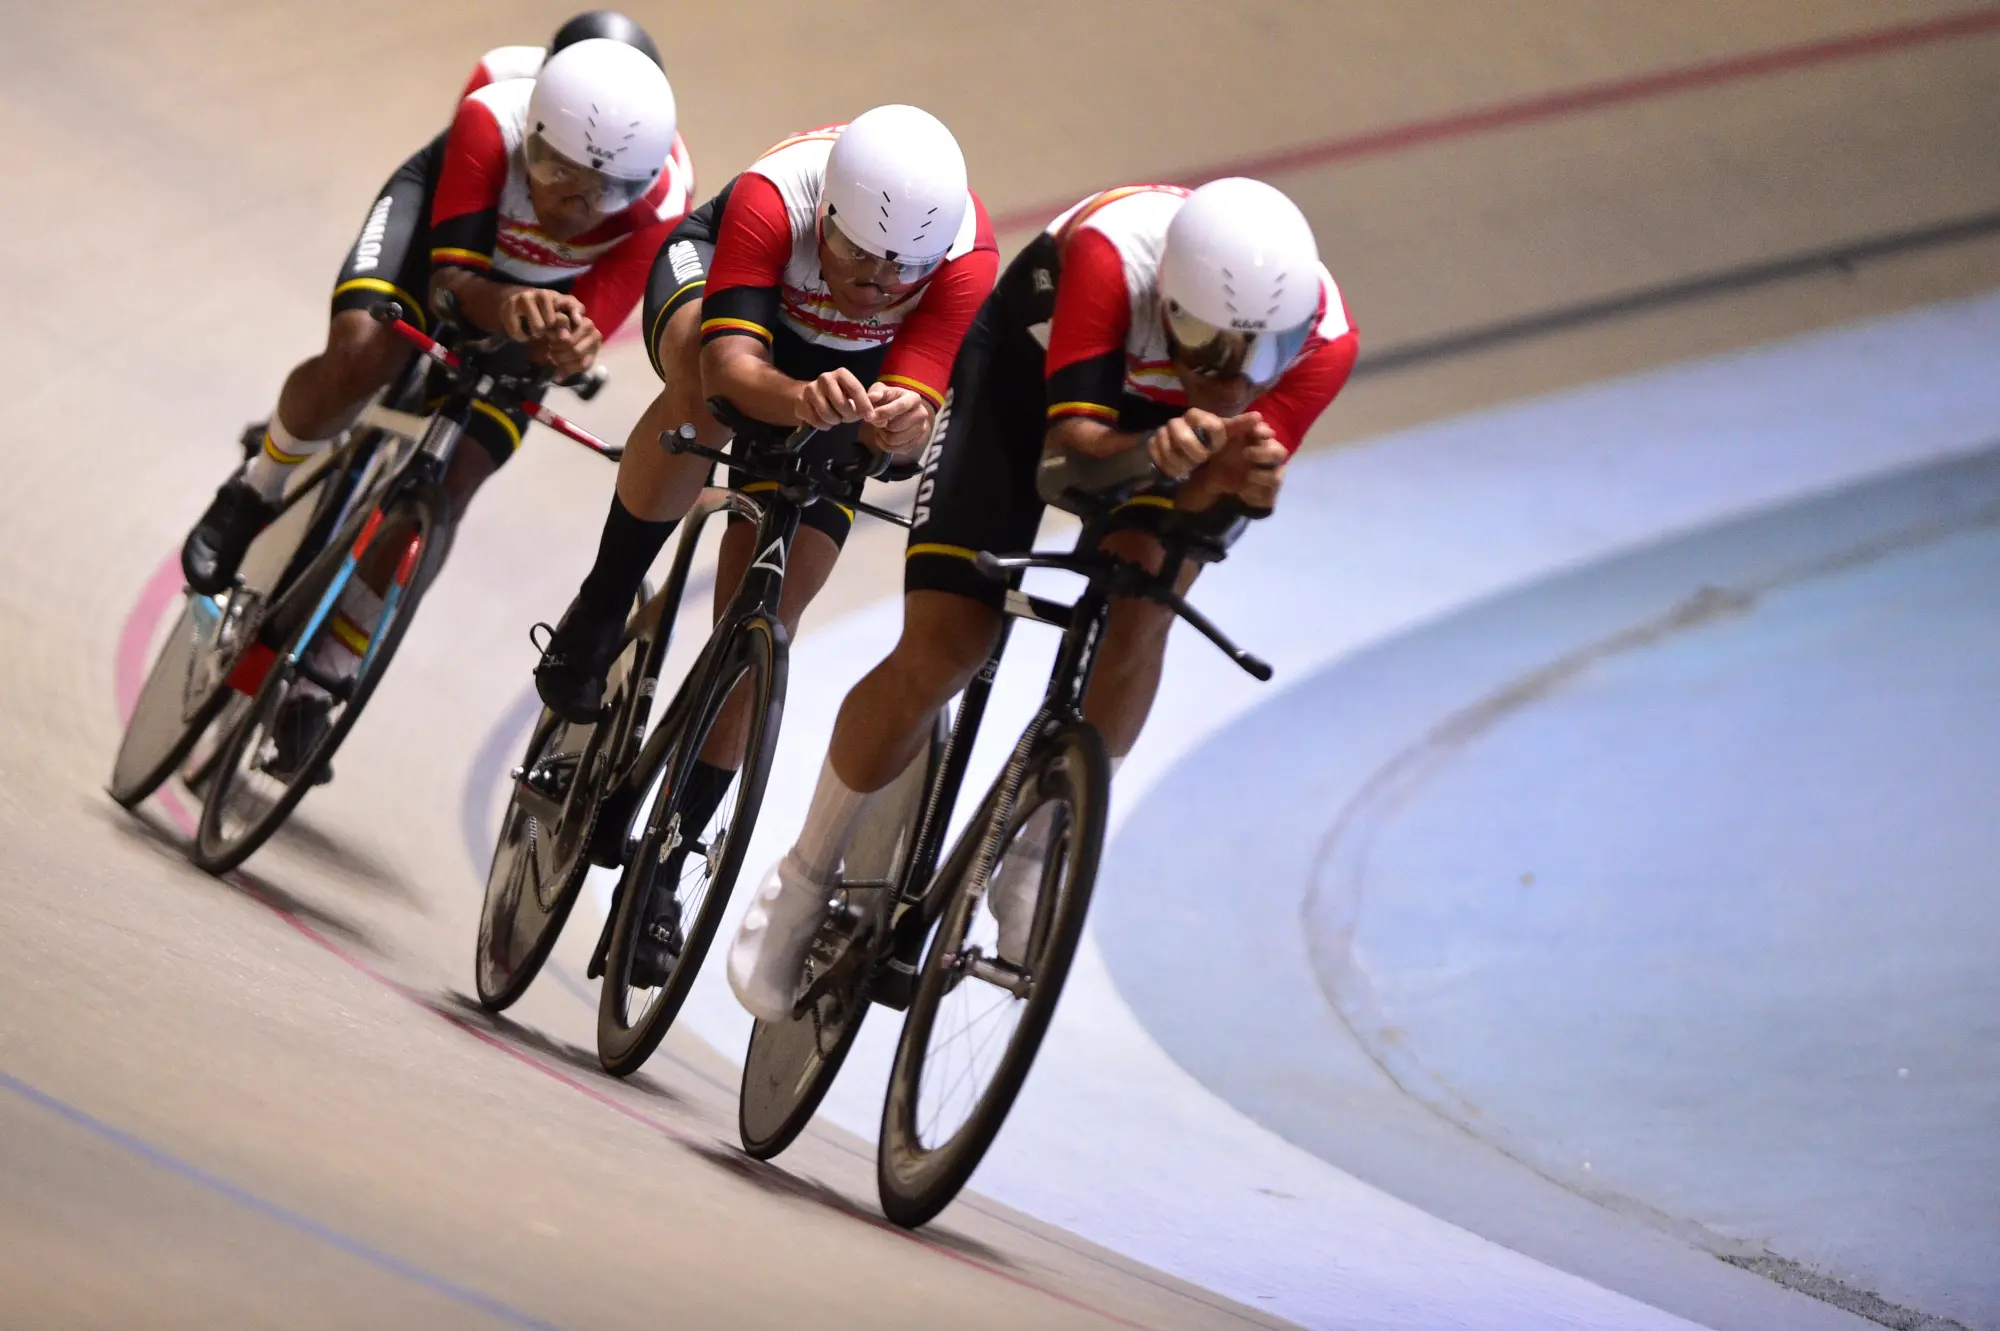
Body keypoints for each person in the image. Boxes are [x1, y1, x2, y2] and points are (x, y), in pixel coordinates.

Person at [725, 176, 1360, 1019]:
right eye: (1205, 343)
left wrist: (1232, 486)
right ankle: (801, 879)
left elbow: (1225, 496)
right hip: (1032, 393)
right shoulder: (1106, 258)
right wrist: (1160, 453)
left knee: (1145, 609)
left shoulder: (1325, 341)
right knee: (949, 645)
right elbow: (1068, 466)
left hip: (1167, 444)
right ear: (1165, 297)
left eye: (1258, 353)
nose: (1230, 378)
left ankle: (1038, 847)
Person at [527, 104, 998, 986]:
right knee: (702, 407)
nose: (875, 280)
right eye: (858, 253)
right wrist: (800, 399)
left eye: (903, 269)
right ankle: (599, 610)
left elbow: (912, 416)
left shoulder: (964, 261)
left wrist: (901, 419)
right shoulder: (773, 201)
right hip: (733, 311)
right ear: (828, 218)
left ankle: (665, 867)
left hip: (847, 372)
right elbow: (732, 373)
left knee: (764, 626)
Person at [178, 36, 687, 774]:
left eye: (606, 193)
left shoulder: (663, 198)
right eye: (556, 176)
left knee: (460, 473)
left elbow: (588, 328)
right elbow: (449, 283)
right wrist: (509, 301)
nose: (577, 208)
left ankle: (324, 673)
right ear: (534, 132)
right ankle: (254, 487)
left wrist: (569, 343)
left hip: (528, 301)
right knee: (365, 352)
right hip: (448, 254)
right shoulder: (492, 115)